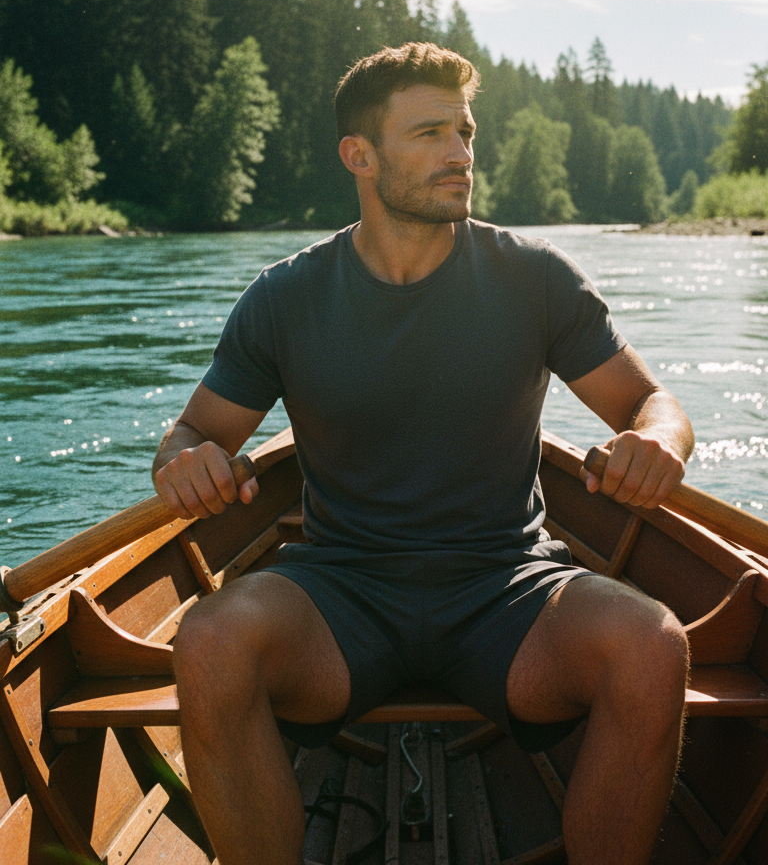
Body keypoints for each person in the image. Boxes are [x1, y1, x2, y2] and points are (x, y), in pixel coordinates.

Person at [153, 42, 693, 865]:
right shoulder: (286, 296)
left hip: (509, 586)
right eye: (431, 132)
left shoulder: (536, 278)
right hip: (338, 589)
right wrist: (184, 461)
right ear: (358, 156)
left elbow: (652, 405)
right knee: (208, 640)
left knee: (653, 643)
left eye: (467, 131)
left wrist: (658, 443)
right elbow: (192, 436)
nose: (461, 154)